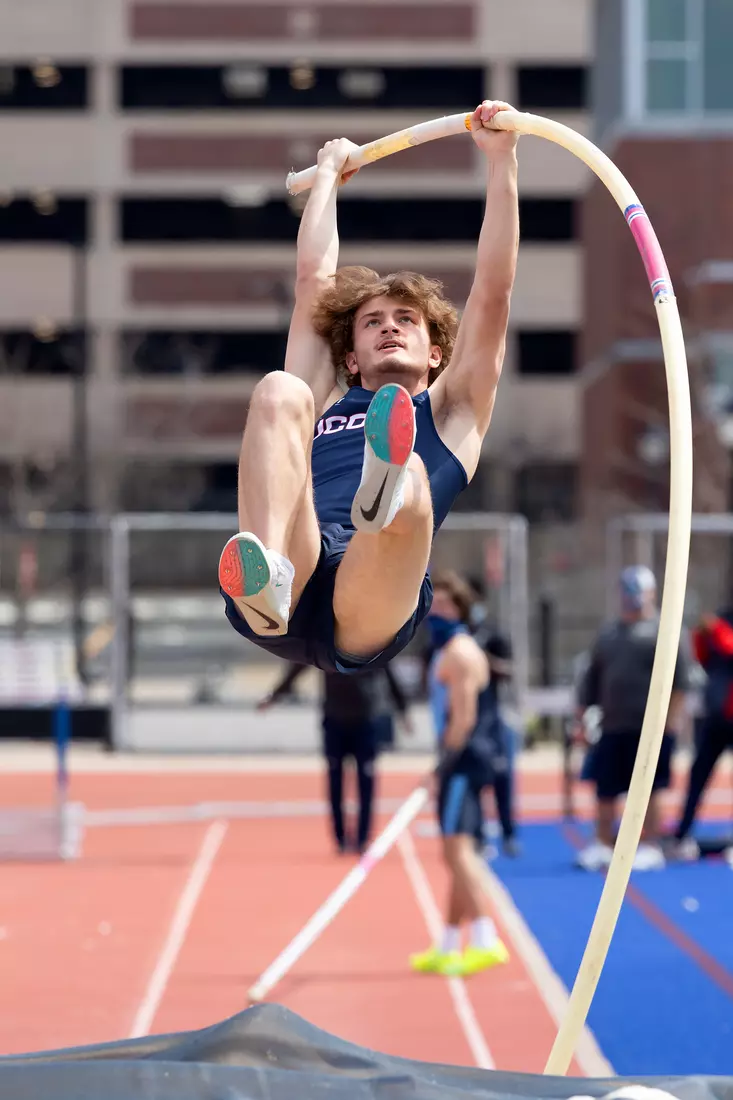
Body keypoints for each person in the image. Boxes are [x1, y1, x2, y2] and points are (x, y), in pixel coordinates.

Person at [217, 100, 519, 675]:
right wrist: (327, 178)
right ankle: (266, 575)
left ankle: (389, 485)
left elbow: (494, 291)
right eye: (373, 321)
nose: (388, 327)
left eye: (406, 320)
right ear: (350, 357)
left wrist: (500, 163)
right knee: (280, 391)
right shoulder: (325, 395)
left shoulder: (453, 413)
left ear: (436, 353)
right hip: (294, 566)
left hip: (371, 593)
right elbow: (313, 282)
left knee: (413, 488)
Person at [410, 570, 510, 977]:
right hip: (462, 757)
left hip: (466, 758)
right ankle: (450, 943)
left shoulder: (462, 653)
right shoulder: (447, 649)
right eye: (434, 603)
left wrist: (441, 767)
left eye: (447, 605)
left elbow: (464, 719)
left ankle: (486, 938)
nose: (437, 611)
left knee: (457, 851)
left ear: (462, 609)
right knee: (455, 850)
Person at [574, 565, 691, 872]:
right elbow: (591, 679)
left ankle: (649, 844)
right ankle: (602, 843)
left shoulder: (663, 631)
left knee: (650, 789)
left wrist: (669, 723)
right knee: (605, 788)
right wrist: (582, 717)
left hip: (650, 729)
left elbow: (681, 682)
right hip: (613, 725)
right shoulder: (609, 633)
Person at [257, 661, 412, 854]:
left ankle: (363, 837)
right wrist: (274, 696)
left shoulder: (372, 643)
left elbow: (390, 676)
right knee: (335, 781)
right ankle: (340, 838)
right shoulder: (326, 645)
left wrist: (403, 711)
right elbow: (298, 666)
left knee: (366, 782)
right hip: (335, 721)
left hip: (365, 721)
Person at [671, 607, 733, 857]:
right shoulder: (725, 616)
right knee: (698, 774)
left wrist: (716, 630)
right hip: (718, 716)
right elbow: (704, 657)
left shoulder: (722, 626)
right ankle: (682, 833)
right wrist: (701, 634)